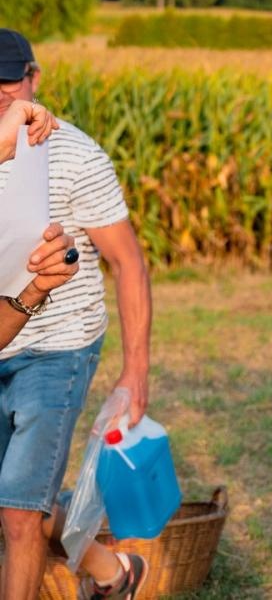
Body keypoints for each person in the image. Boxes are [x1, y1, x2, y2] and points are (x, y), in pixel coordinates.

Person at [0, 30, 153, 600]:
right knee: (16, 499)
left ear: (34, 78)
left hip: (57, 347)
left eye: (9, 78)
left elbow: (128, 263)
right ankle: (114, 572)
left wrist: (134, 371)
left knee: (17, 512)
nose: (0, 91)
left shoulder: (74, 155)